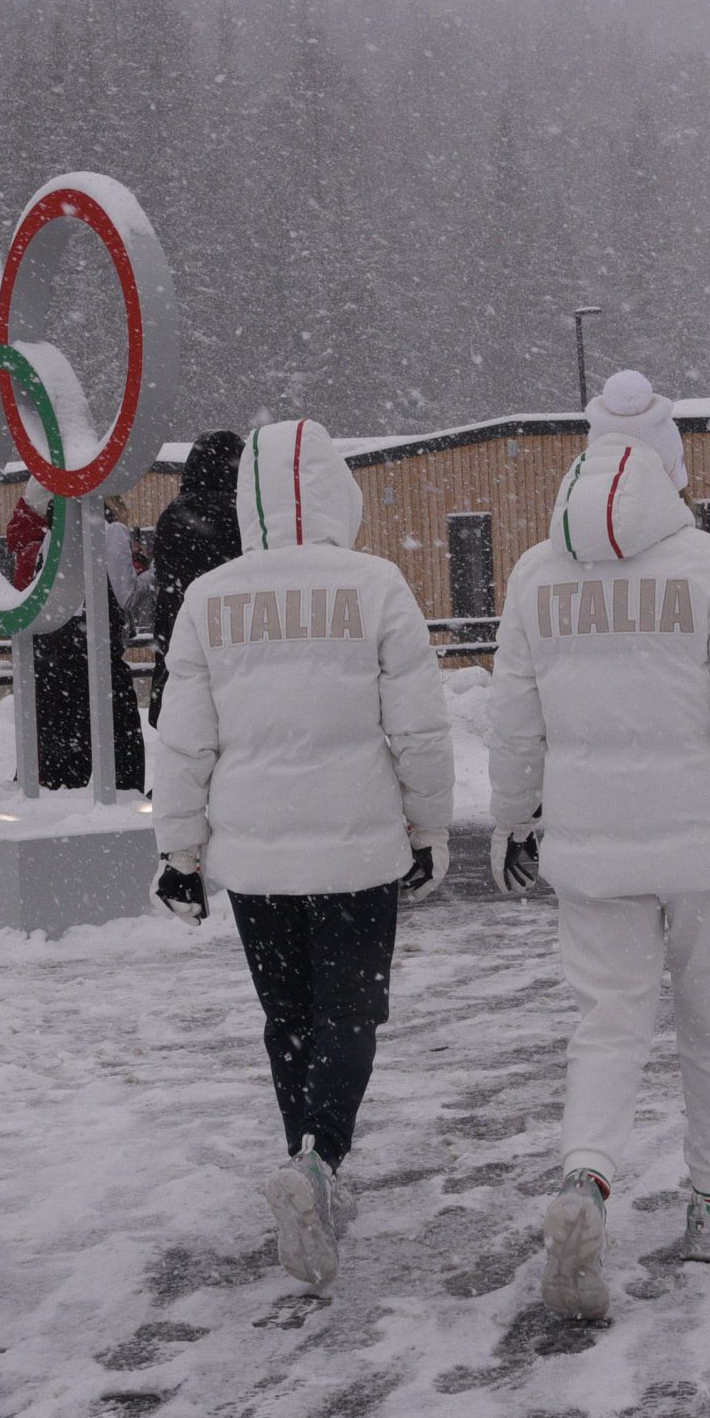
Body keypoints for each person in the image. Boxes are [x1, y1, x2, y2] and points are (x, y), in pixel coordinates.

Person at [489, 369, 710, 1321]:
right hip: (704, 850)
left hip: (592, 849)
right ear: (670, 468)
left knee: (606, 1023)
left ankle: (586, 1181)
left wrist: (515, 817)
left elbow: (514, 721)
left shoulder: (532, 575)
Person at [147, 418, 453, 1292]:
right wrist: (428, 829)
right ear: (335, 490)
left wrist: (181, 849)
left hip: (254, 857)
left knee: (287, 1016)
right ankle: (321, 1162)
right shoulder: (377, 585)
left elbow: (183, 740)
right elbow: (419, 730)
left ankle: (304, 1163)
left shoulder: (211, 598)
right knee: (349, 1014)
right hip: (358, 849)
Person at [6, 478, 147, 792]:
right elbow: (126, 594)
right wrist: (144, 567)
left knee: (60, 756)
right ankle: (123, 808)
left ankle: (53, 806)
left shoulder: (47, 540)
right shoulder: (109, 531)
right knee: (121, 743)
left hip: (52, 656)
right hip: (95, 655)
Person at [148, 430, 247, 723]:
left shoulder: (173, 515)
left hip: (180, 641)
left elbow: (165, 587)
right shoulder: (243, 513)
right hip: (234, 649)